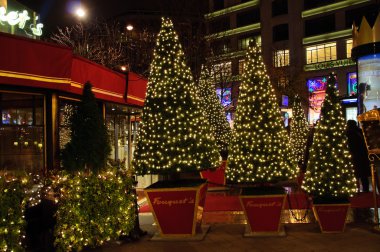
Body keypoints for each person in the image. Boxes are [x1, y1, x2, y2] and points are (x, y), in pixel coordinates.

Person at [346, 120, 371, 192]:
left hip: (354, 156)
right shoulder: (360, 131)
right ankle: (366, 189)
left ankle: (356, 190)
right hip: (362, 156)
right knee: (363, 175)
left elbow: (350, 145)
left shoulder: (348, 133)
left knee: (355, 174)